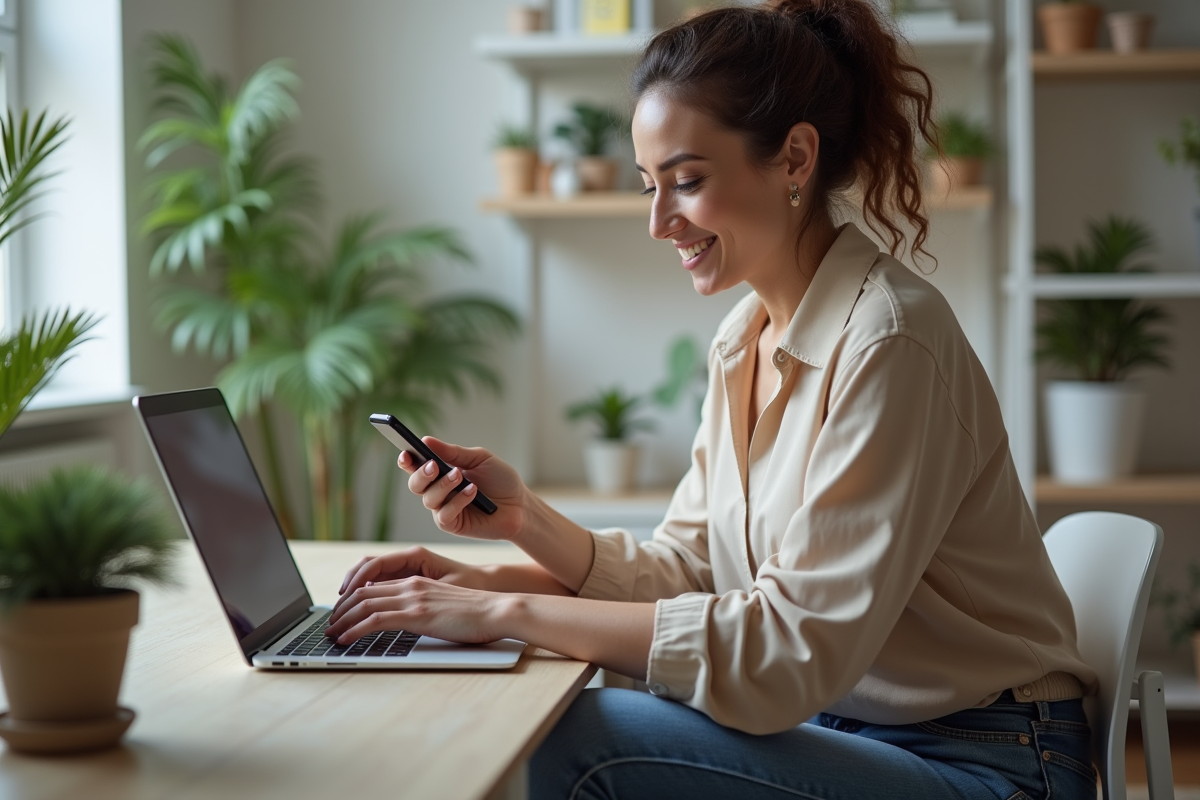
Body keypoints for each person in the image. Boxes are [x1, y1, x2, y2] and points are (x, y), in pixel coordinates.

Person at [324, 1, 1099, 797]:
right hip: (855, 730)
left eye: (687, 182)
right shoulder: (745, 335)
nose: (660, 222)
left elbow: (787, 652)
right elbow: (693, 571)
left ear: (795, 157)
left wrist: (503, 615)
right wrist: (510, 539)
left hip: (991, 760)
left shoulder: (889, 342)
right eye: (648, 186)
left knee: (576, 738)